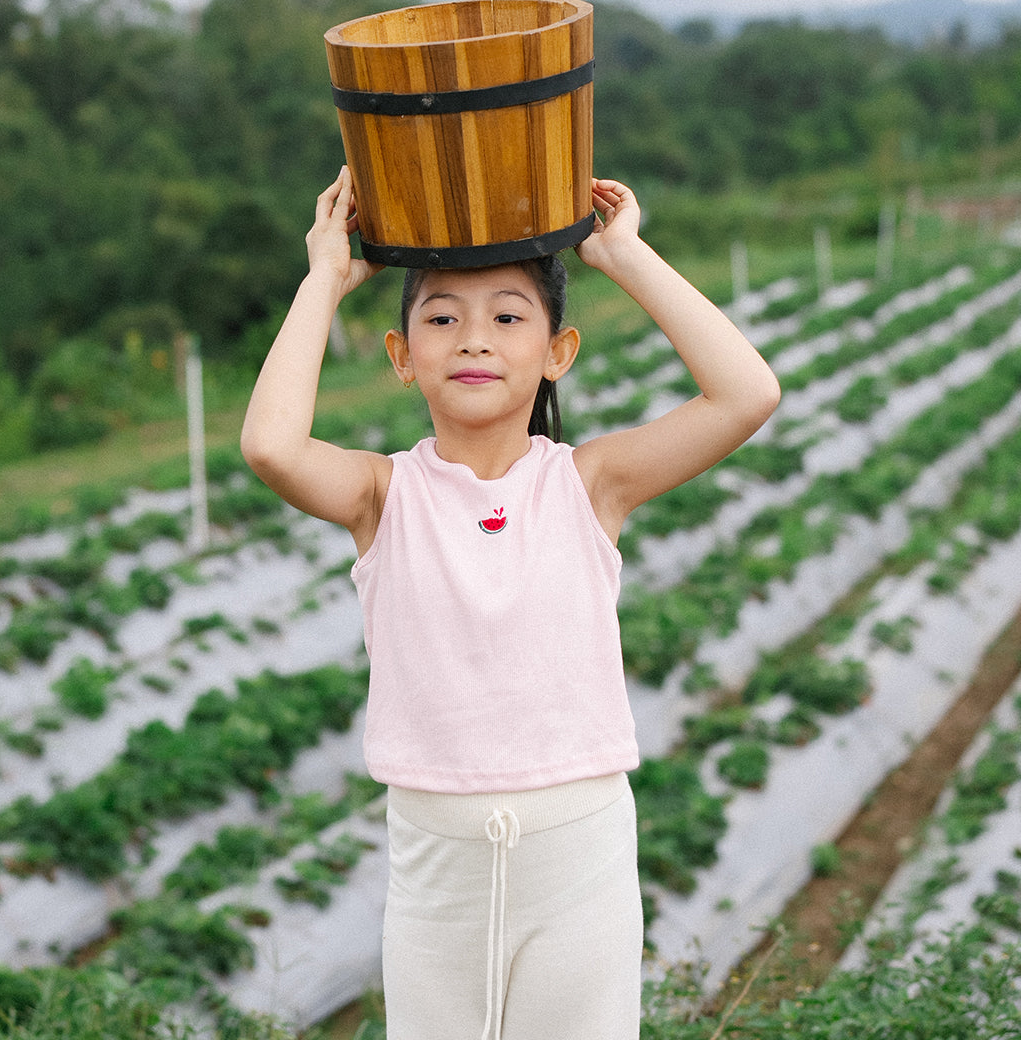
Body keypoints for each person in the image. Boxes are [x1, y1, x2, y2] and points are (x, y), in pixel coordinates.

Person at [241, 166, 780, 1040]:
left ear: (557, 352)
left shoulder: (590, 484)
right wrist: (322, 279)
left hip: (579, 854)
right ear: (401, 356)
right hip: (435, 863)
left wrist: (627, 257)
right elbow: (270, 445)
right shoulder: (383, 495)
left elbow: (747, 393)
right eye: (442, 318)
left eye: (507, 316)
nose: (473, 340)